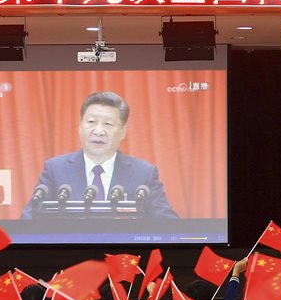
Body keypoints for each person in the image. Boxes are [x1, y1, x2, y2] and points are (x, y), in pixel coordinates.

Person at [20, 91, 178, 219]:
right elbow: (29, 219)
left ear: (123, 131)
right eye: (91, 122)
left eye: (108, 124)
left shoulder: (144, 173)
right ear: (80, 126)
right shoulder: (55, 169)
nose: (98, 131)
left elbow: (167, 223)